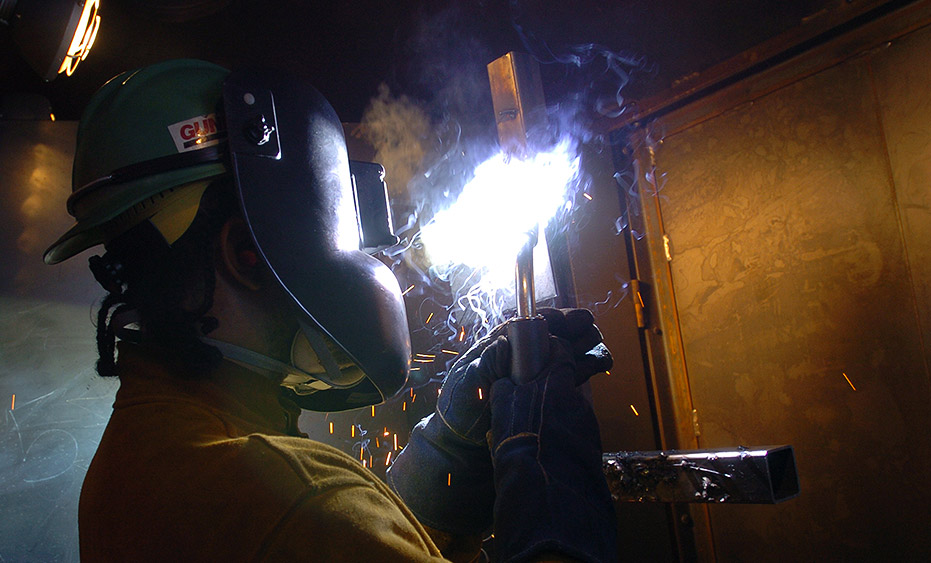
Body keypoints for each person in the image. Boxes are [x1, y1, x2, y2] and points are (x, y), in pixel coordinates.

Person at [44, 59, 616, 562]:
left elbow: (349, 543)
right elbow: (312, 523)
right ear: (246, 254)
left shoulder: (153, 452)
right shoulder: (285, 497)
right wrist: (550, 479)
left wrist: (447, 450)